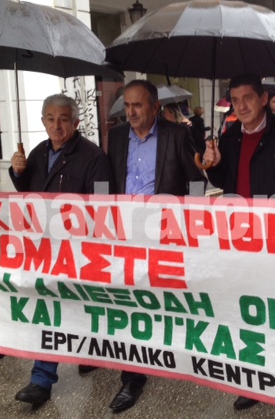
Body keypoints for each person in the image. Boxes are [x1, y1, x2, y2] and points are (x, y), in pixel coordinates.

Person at [203, 74, 275, 410]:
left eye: (248, 98)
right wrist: (214, 165)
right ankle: (254, 379)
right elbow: (224, 179)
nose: (241, 106)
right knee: (248, 309)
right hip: (240, 240)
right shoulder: (229, 138)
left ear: (263, 98)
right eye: (235, 100)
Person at [107, 79, 207, 413]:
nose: (131, 112)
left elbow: (196, 182)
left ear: (154, 107)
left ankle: (175, 354)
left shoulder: (177, 135)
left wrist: (190, 226)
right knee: (130, 301)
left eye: (138, 105)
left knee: (164, 298)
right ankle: (132, 377)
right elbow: (109, 180)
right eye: (127, 105)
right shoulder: (117, 137)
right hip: (126, 231)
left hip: (166, 232)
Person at [10, 94, 112, 408]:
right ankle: (43, 378)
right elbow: (27, 193)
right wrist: (18, 172)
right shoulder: (37, 153)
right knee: (50, 307)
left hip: (78, 247)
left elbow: (103, 206)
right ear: (43, 121)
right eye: (50, 119)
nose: (56, 125)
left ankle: (86, 354)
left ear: (76, 122)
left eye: (64, 119)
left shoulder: (94, 157)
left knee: (78, 304)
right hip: (44, 246)